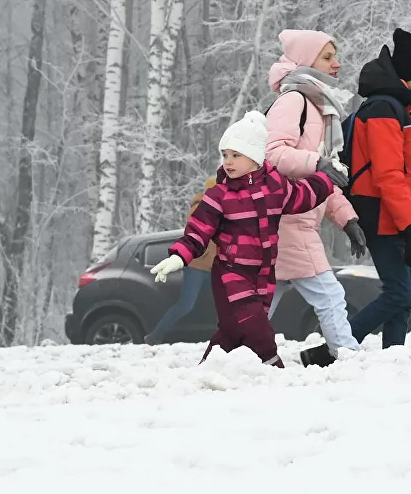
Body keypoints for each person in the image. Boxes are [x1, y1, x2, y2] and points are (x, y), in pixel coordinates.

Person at [154, 112, 335, 366]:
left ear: (256, 157)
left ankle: (207, 370)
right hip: (231, 274)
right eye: (225, 155)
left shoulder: (276, 187)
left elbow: (304, 196)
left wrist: (329, 178)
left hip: (263, 274)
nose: (228, 161)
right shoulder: (218, 195)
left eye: (236, 155)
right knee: (258, 330)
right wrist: (178, 256)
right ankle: (276, 370)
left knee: (233, 333)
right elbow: (198, 230)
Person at [262, 30, 368, 367]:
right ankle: (347, 354)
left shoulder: (318, 105)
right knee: (330, 295)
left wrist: (346, 219)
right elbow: (273, 153)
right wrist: (317, 161)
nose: (337, 63)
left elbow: (325, 179)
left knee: (261, 302)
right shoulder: (294, 100)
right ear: (306, 60)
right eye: (326, 57)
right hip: (288, 219)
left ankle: (239, 354)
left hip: (290, 218)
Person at [345, 28, 411, 348]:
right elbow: (388, 175)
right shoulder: (385, 110)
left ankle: (393, 358)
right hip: (383, 216)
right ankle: (335, 346)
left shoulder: (396, 108)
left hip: (393, 216)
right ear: (410, 74)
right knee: (399, 292)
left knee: (405, 294)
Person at [145, 176, 216, 345]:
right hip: (197, 266)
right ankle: (155, 336)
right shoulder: (199, 208)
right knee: (186, 305)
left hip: (213, 267)